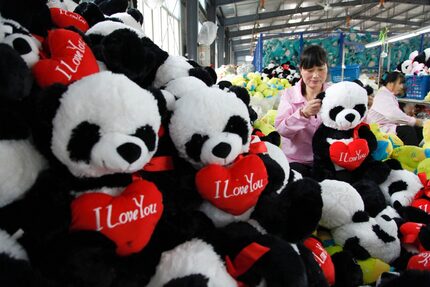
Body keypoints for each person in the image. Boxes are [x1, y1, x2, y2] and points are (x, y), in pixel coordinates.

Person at [275, 45, 329, 176]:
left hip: (327, 161)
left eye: (321, 69)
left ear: (327, 68)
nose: (315, 76)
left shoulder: (334, 94)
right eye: (310, 70)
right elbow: (281, 130)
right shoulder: (289, 95)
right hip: (295, 161)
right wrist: (302, 114)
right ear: (301, 70)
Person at [366, 71, 424, 146]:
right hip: (379, 130)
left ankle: (417, 152)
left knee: (418, 129)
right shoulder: (383, 96)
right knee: (408, 131)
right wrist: (414, 121)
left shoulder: (388, 95)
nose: (402, 86)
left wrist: (413, 121)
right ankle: (411, 155)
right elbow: (393, 115)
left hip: (387, 127)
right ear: (390, 83)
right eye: (400, 83)